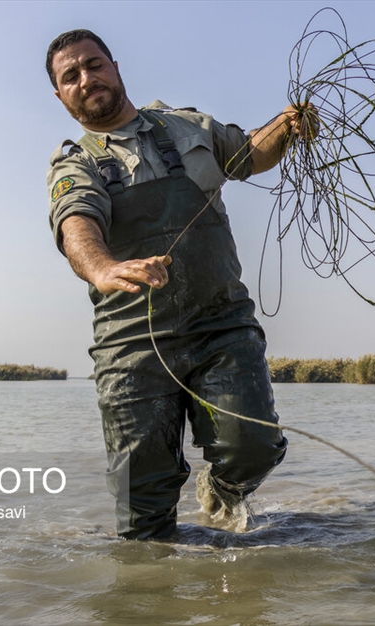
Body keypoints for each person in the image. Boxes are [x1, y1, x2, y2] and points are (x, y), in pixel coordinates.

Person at [45, 29, 311, 540]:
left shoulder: (189, 125)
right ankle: (152, 580)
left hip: (221, 325)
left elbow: (250, 154)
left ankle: (222, 492)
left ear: (115, 68)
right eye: (71, 76)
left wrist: (287, 125)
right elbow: (76, 222)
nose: (87, 78)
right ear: (61, 96)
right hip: (130, 345)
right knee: (142, 509)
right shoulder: (74, 164)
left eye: (94, 64)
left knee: (253, 448)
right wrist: (101, 268)